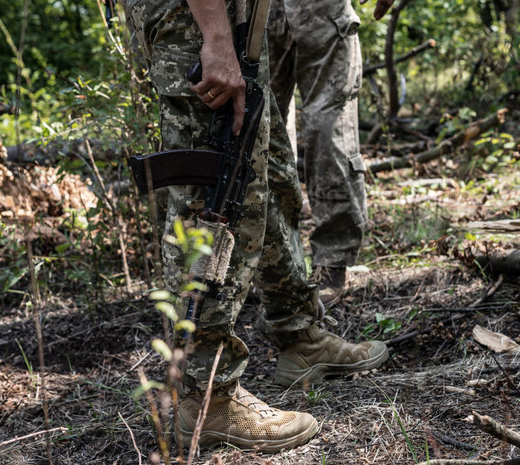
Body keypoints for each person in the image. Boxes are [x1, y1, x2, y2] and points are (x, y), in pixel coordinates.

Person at [126, 0, 390, 453]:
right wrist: (215, 35)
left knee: (263, 169)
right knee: (214, 194)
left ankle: (299, 333)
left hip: (236, 19)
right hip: (197, 18)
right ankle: (206, 397)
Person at [267, 0, 395, 307]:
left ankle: (332, 261)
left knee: (329, 131)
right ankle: (276, 263)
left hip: (321, 11)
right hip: (256, 14)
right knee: (263, 133)